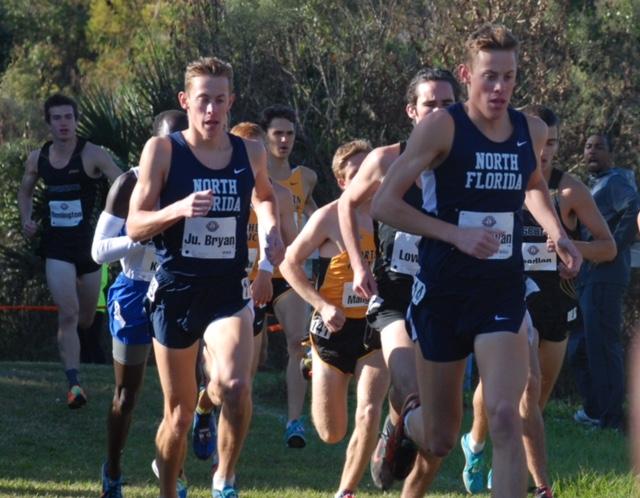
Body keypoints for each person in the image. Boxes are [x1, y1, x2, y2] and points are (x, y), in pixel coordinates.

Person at [372, 23, 582, 498]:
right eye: (490, 76)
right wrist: (454, 234)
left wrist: (558, 233)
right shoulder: (442, 127)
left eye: (509, 77)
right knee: (442, 436)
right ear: (467, 75)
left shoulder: (530, 128)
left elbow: (532, 186)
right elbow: (384, 204)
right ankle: (405, 421)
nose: (500, 88)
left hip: (500, 289)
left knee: (507, 413)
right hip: (442, 292)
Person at [126, 57, 284, 498]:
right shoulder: (162, 151)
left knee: (235, 384)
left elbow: (267, 198)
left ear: (231, 101)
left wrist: (271, 235)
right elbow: (134, 225)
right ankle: (169, 486)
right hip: (176, 289)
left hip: (227, 289)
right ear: (185, 101)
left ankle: (224, 480)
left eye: (220, 101)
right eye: (203, 101)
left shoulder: (249, 151)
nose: (212, 111)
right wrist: (177, 209)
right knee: (175, 416)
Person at [460, 105, 616, 497]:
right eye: (537, 142)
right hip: (507, 297)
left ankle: (505, 463)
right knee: (512, 386)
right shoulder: (497, 183)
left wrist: (569, 247)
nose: (544, 151)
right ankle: (478, 445)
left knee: (536, 396)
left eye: (553, 143)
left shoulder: (569, 190)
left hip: (555, 302)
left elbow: (608, 247)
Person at [338, 67, 459, 494]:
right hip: (392, 292)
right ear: (412, 111)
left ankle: (397, 434)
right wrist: (358, 264)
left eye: (448, 104)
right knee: (412, 391)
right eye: (431, 104)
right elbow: (346, 207)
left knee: (439, 423)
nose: (440, 112)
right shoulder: (386, 160)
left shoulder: (466, 161)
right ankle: (401, 425)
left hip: (444, 297)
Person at [280, 139, 389, 498]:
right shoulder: (328, 216)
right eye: (356, 175)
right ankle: (312, 362)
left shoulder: (389, 215)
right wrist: (322, 306)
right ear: (343, 182)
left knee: (370, 410)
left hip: (375, 326)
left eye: (370, 173)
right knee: (331, 432)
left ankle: (346, 491)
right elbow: (289, 264)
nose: (367, 182)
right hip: (331, 329)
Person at [191, 121, 297, 467]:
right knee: (217, 379)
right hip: (217, 287)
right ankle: (204, 407)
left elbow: (286, 243)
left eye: (257, 152)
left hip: (257, 288)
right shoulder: (219, 188)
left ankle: (226, 468)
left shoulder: (277, 194)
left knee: (241, 383)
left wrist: (268, 268)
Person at [93, 110, 188, 498]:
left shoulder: (198, 180)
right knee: (127, 394)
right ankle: (113, 469)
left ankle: (172, 470)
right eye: (167, 144)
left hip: (179, 290)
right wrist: (141, 234)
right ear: (152, 146)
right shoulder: (128, 182)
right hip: (134, 291)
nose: (175, 153)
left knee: (182, 396)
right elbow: (99, 251)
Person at [17, 93, 122, 408]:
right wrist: (26, 220)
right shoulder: (39, 158)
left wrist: (116, 219)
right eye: (57, 118)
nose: (64, 124)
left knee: (87, 318)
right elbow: (25, 191)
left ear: (76, 121)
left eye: (68, 117)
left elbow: (123, 183)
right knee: (69, 313)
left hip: (90, 248)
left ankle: (76, 342)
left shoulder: (92, 154)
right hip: (56, 246)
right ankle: (74, 384)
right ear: (48, 123)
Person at [568, 133, 639, 430]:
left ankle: (612, 418)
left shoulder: (616, 181)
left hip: (606, 276)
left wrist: (611, 250)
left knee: (602, 346)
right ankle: (595, 409)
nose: (592, 151)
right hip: (587, 277)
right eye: (588, 146)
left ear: (611, 154)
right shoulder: (592, 185)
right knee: (579, 347)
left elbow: (633, 207)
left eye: (599, 147)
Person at [259, 105, 318, 447]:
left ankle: (295, 422)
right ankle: (213, 409)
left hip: (288, 272)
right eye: (277, 133)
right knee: (252, 357)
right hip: (249, 274)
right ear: (265, 138)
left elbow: (311, 212)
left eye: (290, 133)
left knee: (298, 342)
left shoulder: (305, 177)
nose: (284, 140)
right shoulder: (250, 174)